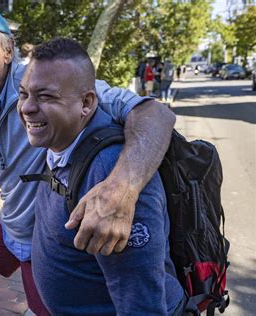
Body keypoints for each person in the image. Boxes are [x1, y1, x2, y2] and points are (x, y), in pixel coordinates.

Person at [0, 4, 175, 316]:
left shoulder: (44, 77)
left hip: (51, 233)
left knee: (50, 303)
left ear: (8, 51)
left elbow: (155, 113)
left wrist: (121, 190)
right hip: (11, 224)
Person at [18, 37, 185, 316]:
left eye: (46, 96)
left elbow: (142, 305)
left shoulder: (109, 170)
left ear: (86, 103)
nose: (26, 108)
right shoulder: (61, 141)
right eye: (24, 94)